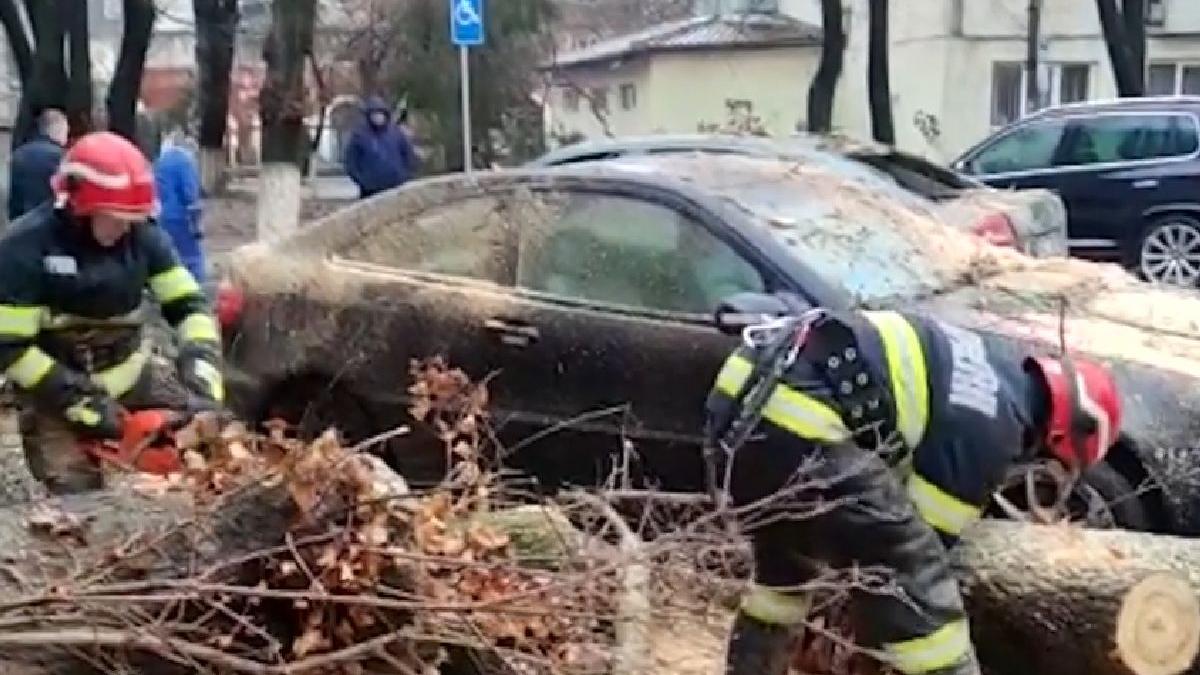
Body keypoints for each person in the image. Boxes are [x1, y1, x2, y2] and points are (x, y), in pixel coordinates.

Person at [705, 305, 1121, 675]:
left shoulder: (992, 369)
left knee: (784, 577)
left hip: (738, 406)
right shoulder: (992, 427)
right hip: (800, 422)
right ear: (1065, 432)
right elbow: (924, 541)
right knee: (917, 578)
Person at [0, 131, 225, 495]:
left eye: (133, 220)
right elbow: (9, 347)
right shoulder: (24, 249)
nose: (124, 229)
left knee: (202, 442)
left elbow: (189, 306)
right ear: (78, 205)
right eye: (115, 218)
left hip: (134, 375)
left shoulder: (144, 238)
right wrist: (77, 399)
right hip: (54, 388)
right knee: (79, 499)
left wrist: (202, 371)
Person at [153, 130, 206, 283]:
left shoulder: (161, 161)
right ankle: (194, 286)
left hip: (161, 215)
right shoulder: (185, 161)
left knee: (168, 253)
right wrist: (197, 222)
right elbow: (190, 192)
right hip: (181, 216)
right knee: (191, 255)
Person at [343, 96, 418, 199]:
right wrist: (363, 181)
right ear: (369, 115)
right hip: (370, 190)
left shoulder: (397, 134)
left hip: (396, 187)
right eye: (374, 114)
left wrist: (404, 176)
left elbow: (409, 156)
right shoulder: (359, 136)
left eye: (380, 114)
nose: (378, 117)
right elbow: (351, 163)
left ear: (385, 115)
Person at [8, 108, 68, 221]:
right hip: (47, 224)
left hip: (19, 222)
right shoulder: (61, 157)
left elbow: (14, 199)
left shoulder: (19, 153)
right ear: (59, 131)